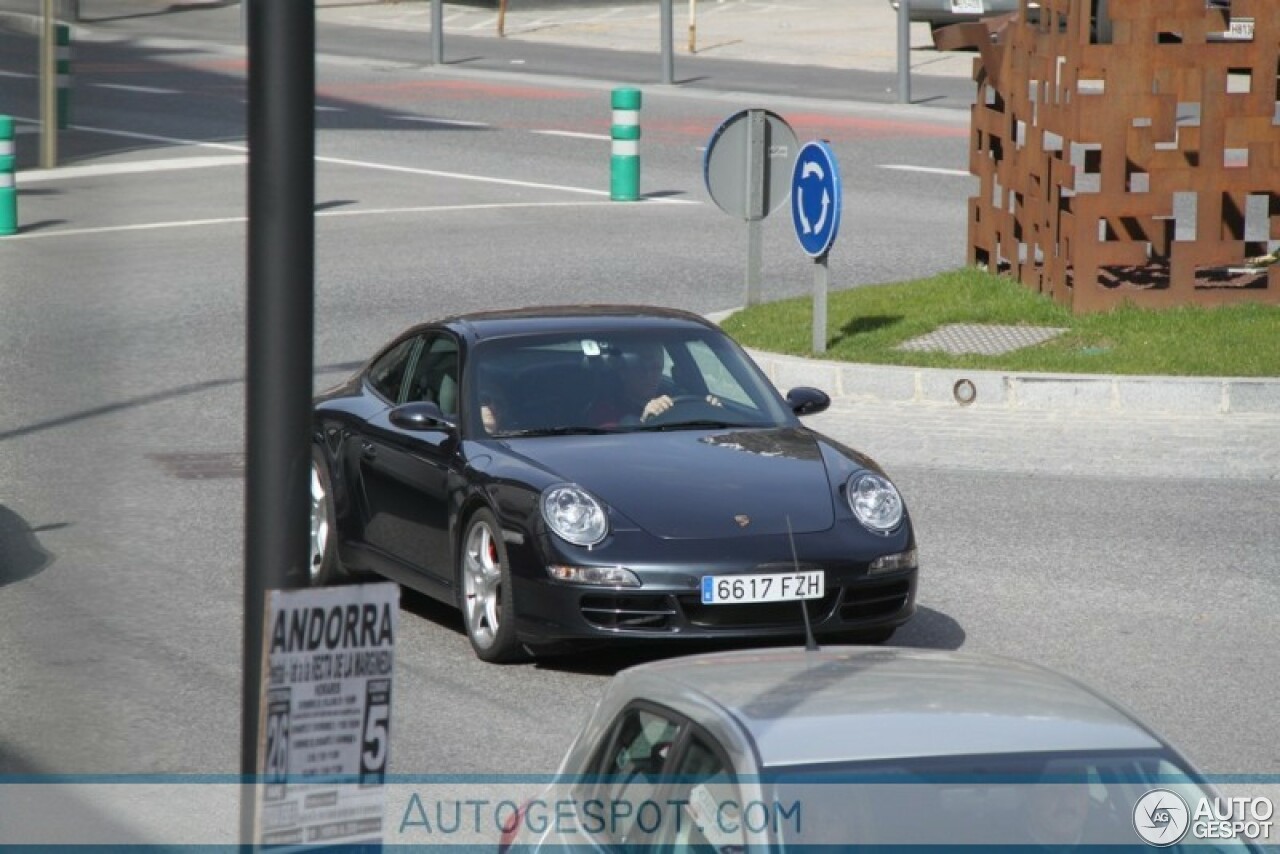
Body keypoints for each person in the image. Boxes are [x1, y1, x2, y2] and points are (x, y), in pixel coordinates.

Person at [587, 341, 720, 426]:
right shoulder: (606, 409)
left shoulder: (676, 399)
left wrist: (711, 411)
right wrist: (642, 422)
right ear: (623, 372)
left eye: (655, 368)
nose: (649, 375)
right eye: (641, 368)